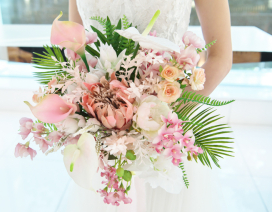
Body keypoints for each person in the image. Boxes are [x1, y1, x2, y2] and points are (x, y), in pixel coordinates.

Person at [66, 0, 232, 211]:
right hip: (99, 133)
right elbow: (75, 48)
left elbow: (221, 57)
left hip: (165, 130)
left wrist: (158, 120)